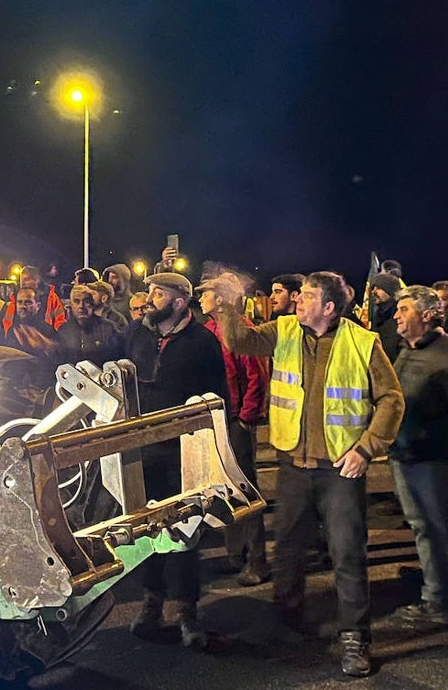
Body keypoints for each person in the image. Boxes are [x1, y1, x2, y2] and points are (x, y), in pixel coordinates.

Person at [212, 270, 404, 678]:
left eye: (307, 295)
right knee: (287, 548)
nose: (297, 299)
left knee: (347, 554)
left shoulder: (362, 342)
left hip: (340, 471)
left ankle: (355, 638)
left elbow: (391, 400)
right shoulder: (283, 330)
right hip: (293, 467)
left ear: (329, 307)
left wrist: (367, 448)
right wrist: (230, 304)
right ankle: (287, 621)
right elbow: (238, 341)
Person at [117, 272, 229, 650]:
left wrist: (212, 455)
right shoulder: (136, 335)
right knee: (146, 531)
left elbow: (218, 401)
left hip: (184, 455)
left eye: (158, 293)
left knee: (184, 534)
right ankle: (151, 602)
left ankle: (186, 611)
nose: (149, 299)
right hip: (141, 453)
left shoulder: (202, 343)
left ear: (179, 301)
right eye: (150, 292)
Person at [387, 286, 448, 655]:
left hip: (436, 463)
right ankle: (436, 600)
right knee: (423, 529)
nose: (397, 315)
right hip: (405, 458)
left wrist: (425, 435)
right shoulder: (406, 352)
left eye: (404, 308)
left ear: (428, 315)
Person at [198, 275, 271, 586]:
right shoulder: (210, 330)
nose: (200, 299)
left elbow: (257, 376)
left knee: (245, 488)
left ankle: (257, 560)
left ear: (221, 299)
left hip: (235, 421)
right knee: (223, 488)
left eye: (206, 294)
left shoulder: (240, 330)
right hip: (217, 419)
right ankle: (234, 554)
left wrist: (245, 418)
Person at [55, 284, 117, 367]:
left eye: (86, 301)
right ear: (71, 305)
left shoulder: (108, 328)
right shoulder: (64, 330)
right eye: (77, 301)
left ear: (92, 304)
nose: (81, 306)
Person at [0, 265, 67, 334]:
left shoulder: (51, 297)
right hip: (18, 338)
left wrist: (53, 338)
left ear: (36, 280)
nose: (23, 283)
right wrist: (9, 336)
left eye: (26, 279)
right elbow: (7, 321)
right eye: (21, 280)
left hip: (44, 337)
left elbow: (60, 321)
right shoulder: (13, 298)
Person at [369, 272, 405, 362]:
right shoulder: (377, 316)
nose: (374, 291)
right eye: (373, 288)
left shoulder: (402, 316)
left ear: (391, 290)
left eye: (379, 288)